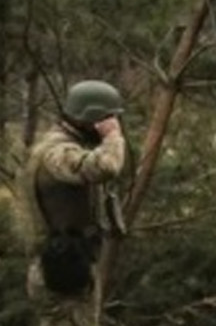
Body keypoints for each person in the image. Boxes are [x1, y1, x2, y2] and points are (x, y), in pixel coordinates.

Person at [20, 79, 128, 326]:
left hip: (69, 264)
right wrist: (112, 137)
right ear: (90, 118)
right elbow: (105, 167)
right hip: (62, 271)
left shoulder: (65, 146)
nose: (113, 122)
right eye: (108, 117)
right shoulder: (55, 153)